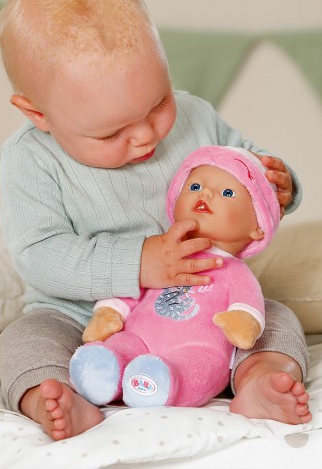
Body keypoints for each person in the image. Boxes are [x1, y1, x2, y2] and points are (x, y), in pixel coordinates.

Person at [0, 0, 311, 441]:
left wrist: (279, 183)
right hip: (84, 317)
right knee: (25, 340)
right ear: (38, 113)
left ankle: (260, 380)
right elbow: (39, 255)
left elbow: (247, 168)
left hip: (204, 308)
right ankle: (54, 396)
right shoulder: (30, 159)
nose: (146, 135)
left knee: (276, 320)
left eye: (159, 102)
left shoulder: (196, 117)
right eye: (112, 133)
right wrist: (139, 262)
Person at [70, 146, 280, 408]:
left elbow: (246, 301)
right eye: (194, 187)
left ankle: (165, 382)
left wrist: (242, 319)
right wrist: (110, 312)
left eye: (227, 193)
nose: (205, 194)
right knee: (121, 345)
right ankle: (101, 372)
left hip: (196, 346)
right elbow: (134, 281)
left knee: (199, 364)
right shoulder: (162, 251)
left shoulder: (234, 271)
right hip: (138, 337)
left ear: (258, 226)